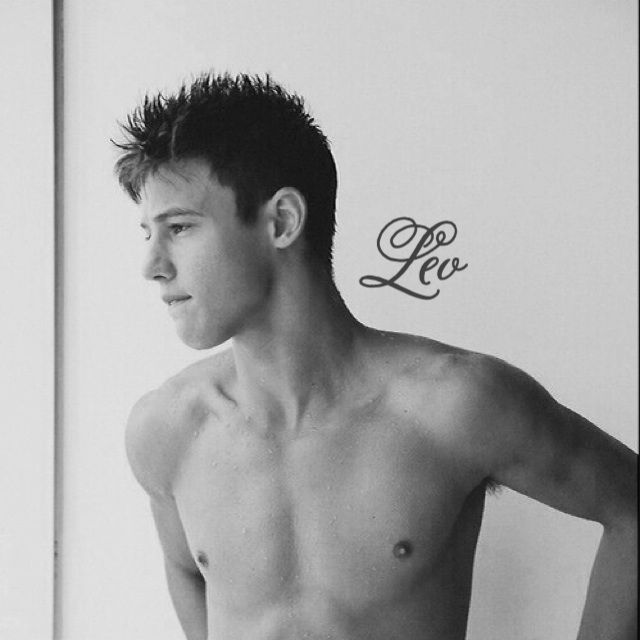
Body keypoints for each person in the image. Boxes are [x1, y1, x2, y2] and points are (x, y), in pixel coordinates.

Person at [114, 72, 637, 640]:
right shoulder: (166, 431)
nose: (152, 266)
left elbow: (630, 506)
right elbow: (186, 571)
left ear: (282, 221)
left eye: (180, 228)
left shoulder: (454, 406)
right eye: (148, 233)